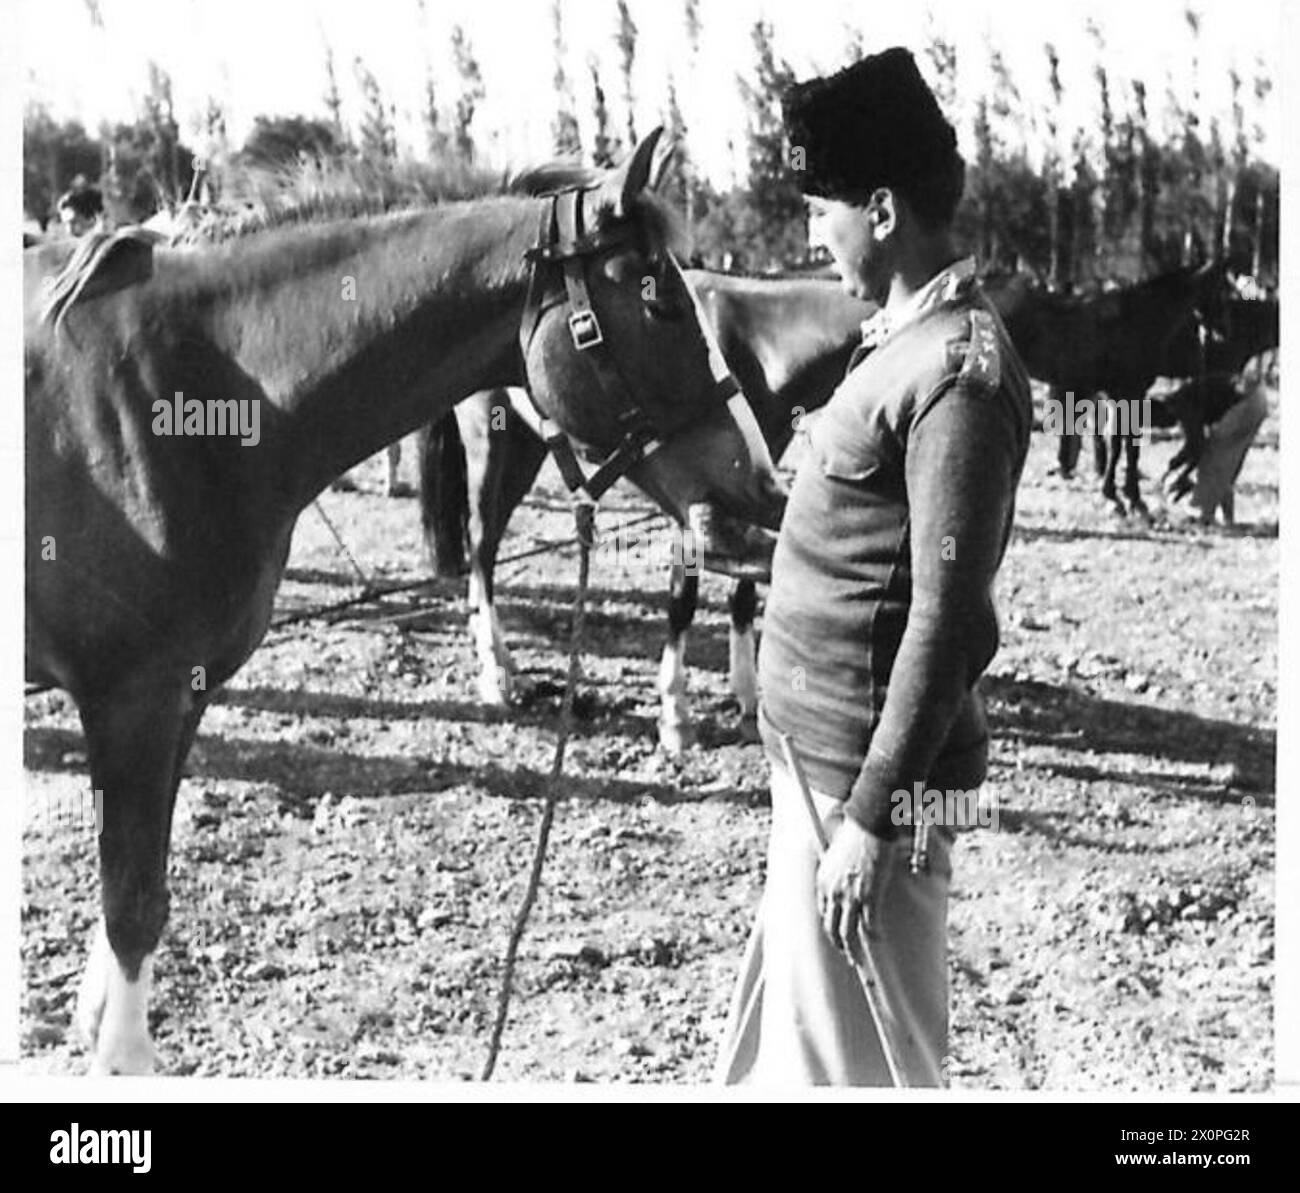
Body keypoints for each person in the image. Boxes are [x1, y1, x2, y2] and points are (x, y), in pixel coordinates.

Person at [714, 47, 1033, 1087]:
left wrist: (871, 818)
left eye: (823, 207)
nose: (813, 232)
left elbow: (945, 619)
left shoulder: (960, 373)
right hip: (820, 771)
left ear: (883, 209)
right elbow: (872, 544)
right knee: (802, 1050)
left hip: (868, 796)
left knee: (875, 1071)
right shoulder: (901, 339)